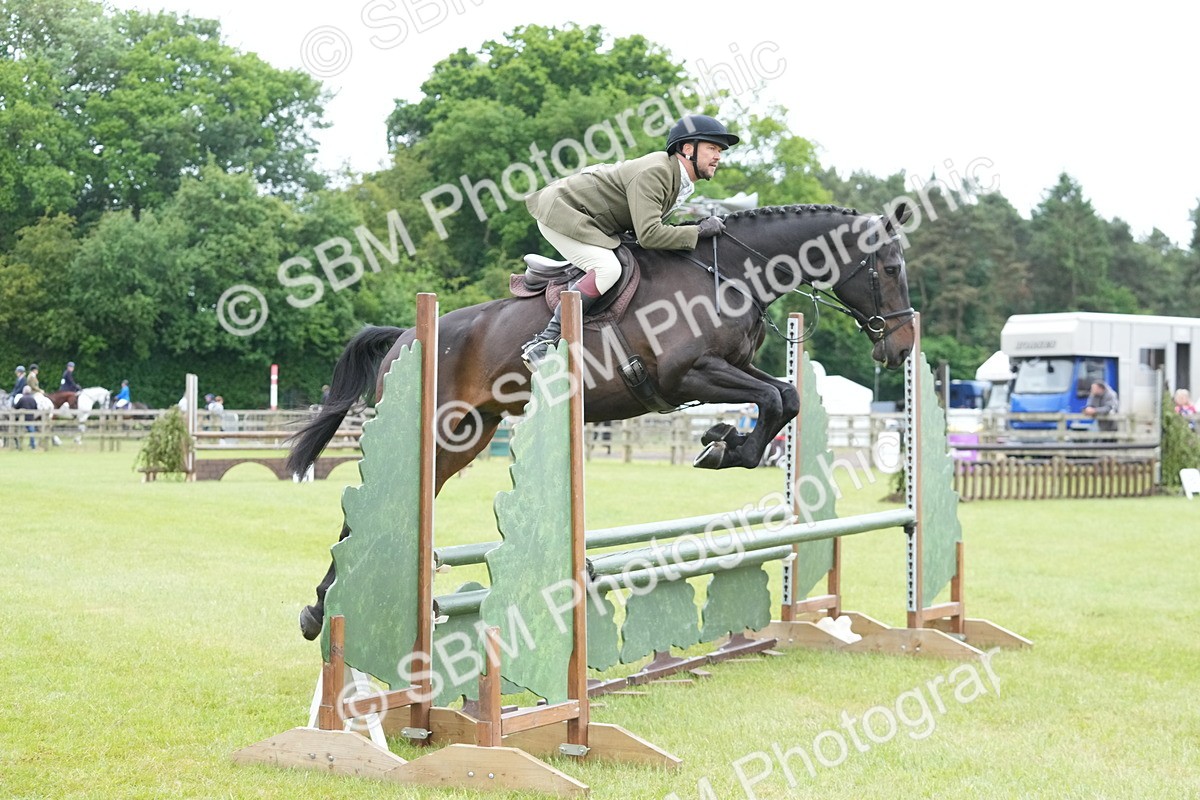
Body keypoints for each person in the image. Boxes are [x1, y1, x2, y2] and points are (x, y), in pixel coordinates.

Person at [519, 113, 740, 369]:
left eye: (720, 150)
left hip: (592, 219)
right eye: (712, 148)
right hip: (562, 212)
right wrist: (698, 232)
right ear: (687, 148)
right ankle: (544, 341)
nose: (718, 156)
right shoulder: (656, 172)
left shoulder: (677, 179)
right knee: (608, 269)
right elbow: (649, 235)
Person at [14, 385, 39, 450]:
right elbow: (36, 408)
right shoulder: (33, 399)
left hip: (22, 420)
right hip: (30, 419)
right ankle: (33, 445)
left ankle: (19, 445)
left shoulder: (21, 399)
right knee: (32, 432)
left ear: (24, 391)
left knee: (19, 431)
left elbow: (16, 407)